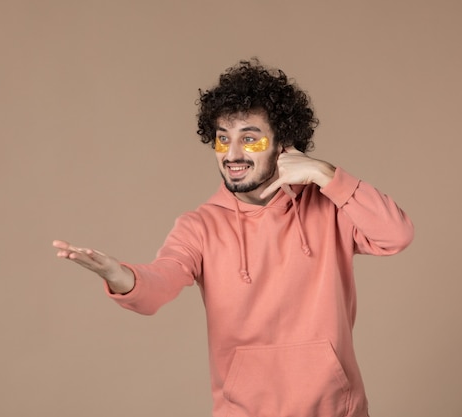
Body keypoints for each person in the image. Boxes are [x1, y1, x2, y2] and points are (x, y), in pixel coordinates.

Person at [52, 59, 414, 417]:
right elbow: (159, 282)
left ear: (284, 143)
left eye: (250, 139)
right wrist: (119, 276)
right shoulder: (201, 225)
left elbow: (395, 235)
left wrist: (326, 173)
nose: (233, 154)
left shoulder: (331, 207)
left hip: (338, 411)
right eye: (223, 139)